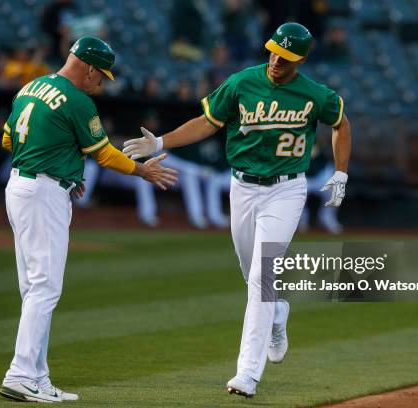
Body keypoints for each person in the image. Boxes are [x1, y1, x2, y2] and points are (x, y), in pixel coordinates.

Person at [123, 22, 351, 398]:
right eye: (274, 50)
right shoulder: (242, 82)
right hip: (242, 187)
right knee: (252, 273)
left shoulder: (314, 94)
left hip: (286, 189)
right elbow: (207, 123)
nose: (277, 59)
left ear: (302, 59)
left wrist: (341, 171)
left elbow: (341, 122)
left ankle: (247, 373)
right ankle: (278, 315)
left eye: (287, 56)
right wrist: (163, 141)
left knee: (261, 277)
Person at [0, 36, 177, 403]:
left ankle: (38, 376)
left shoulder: (31, 86)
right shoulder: (78, 100)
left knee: (33, 289)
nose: (102, 82)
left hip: (19, 187)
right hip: (43, 194)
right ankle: (19, 374)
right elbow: (106, 154)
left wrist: (63, 165)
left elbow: (7, 140)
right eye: (102, 74)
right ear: (90, 67)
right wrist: (142, 172)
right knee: (45, 288)